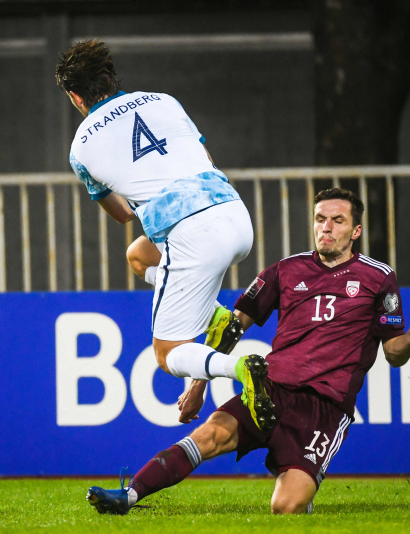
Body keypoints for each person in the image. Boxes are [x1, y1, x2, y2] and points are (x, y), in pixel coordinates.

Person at [86, 187, 410, 515]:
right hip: (268, 389)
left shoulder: (378, 278)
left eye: (337, 221)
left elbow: (393, 353)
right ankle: (129, 495)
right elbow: (233, 326)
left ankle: (298, 479)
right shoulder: (285, 270)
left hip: (324, 407)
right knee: (209, 435)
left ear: (355, 231)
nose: (326, 227)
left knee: (286, 507)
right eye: (320, 219)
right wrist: (198, 385)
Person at [55, 40, 272, 428]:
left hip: (192, 235)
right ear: (110, 75)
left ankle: (240, 367)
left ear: (75, 96)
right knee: (139, 255)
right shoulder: (163, 100)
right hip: (235, 216)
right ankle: (213, 315)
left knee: (167, 353)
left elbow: (122, 214)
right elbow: (205, 160)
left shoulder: (80, 147)